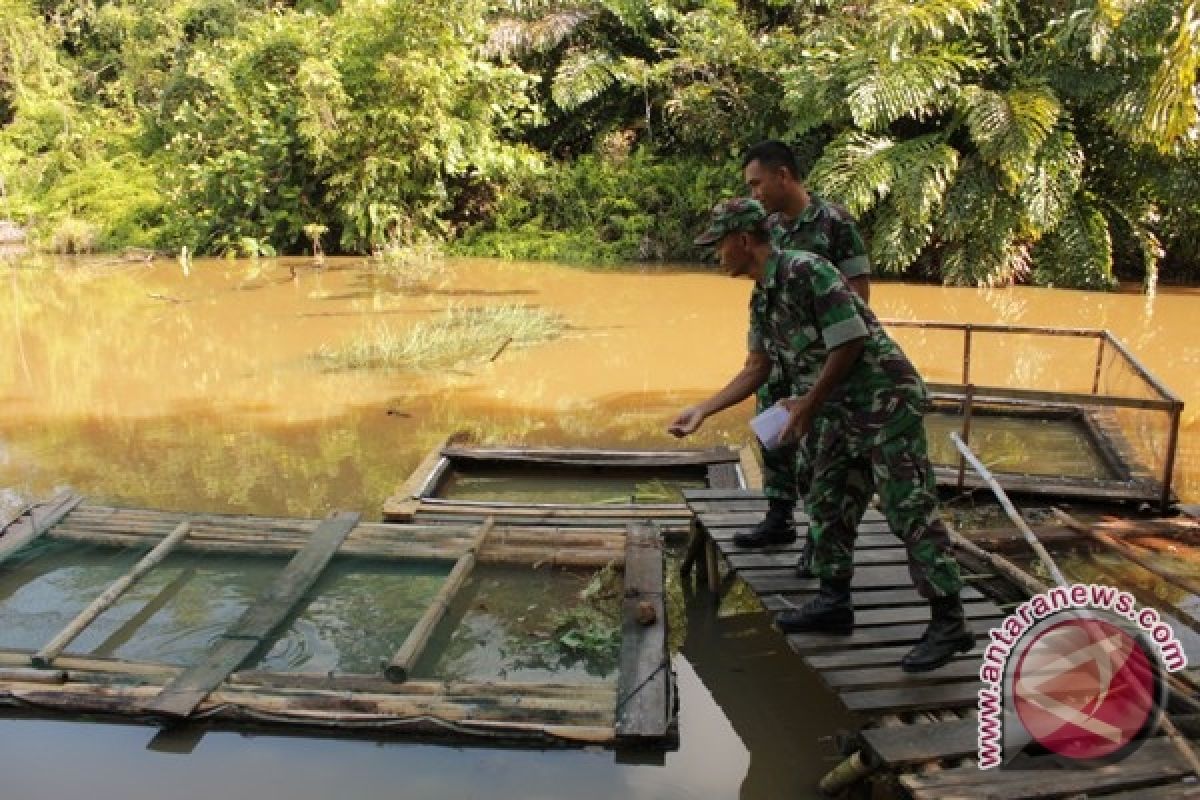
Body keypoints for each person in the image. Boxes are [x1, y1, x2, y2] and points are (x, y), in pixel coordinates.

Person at [669, 198, 972, 672]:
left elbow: (850, 339)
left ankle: (949, 622)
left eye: (719, 245)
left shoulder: (808, 271)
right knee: (827, 501)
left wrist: (808, 404)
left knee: (907, 507)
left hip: (884, 403)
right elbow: (757, 367)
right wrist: (702, 411)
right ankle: (834, 602)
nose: (715, 255)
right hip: (835, 410)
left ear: (744, 241)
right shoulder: (762, 295)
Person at [738, 141, 871, 583]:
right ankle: (779, 516)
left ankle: (820, 541)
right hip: (779, 354)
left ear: (783, 176)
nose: (755, 192)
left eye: (758, 183)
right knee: (771, 433)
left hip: (818, 358)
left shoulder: (836, 223)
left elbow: (857, 298)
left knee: (820, 450)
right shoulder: (769, 227)